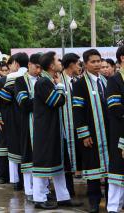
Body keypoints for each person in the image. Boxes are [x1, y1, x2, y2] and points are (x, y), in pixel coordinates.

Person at [33, 52, 80, 209]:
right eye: (58, 60)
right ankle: (39, 198)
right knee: (43, 164)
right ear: (52, 66)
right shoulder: (43, 82)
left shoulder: (48, 80)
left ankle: (63, 197)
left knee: (59, 164)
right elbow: (56, 102)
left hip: (54, 130)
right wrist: (60, 86)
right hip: (46, 131)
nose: (61, 62)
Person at [73, 49, 109, 213]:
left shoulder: (106, 81)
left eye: (98, 61)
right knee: (93, 168)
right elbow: (77, 110)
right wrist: (84, 133)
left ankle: (111, 201)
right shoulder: (80, 84)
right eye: (93, 62)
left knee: (111, 169)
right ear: (86, 64)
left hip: (108, 132)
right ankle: (94, 202)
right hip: (91, 133)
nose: (97, 64)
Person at [14, 53, 42, 201]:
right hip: (26, 123)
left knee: (41, 155)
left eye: (40, 68)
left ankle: (41, 189)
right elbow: (24, 104)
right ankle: (29, 189)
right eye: (36, 67)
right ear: (29, 65)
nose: (38, 71)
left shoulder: (42, 80)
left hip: (42, 124)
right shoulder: (19, 81)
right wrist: (41, 100)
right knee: (27, 154)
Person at [0, 52, 29, 191]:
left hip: (13, 116)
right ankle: (28, 181)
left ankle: (16, 180)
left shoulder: (11, 77)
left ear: (16, 63)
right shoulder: (32, 75)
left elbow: (4, 98)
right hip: (29, 116)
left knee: (14, 149)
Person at [60, 53, 82, 197]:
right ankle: (66, 191)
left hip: (74, 125)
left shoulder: (74, 81)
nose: (80, 67)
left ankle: (70, 190)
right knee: (64, 158)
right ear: (71, 65)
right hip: (62, 127)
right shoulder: (59, 81)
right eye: (78, 64)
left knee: (72, 157)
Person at [106, 46, 124, 213]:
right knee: (118, 168)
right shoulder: (114, 80)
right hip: (120, 132)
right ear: (122, 58)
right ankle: (113, 207)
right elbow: (114, 107)